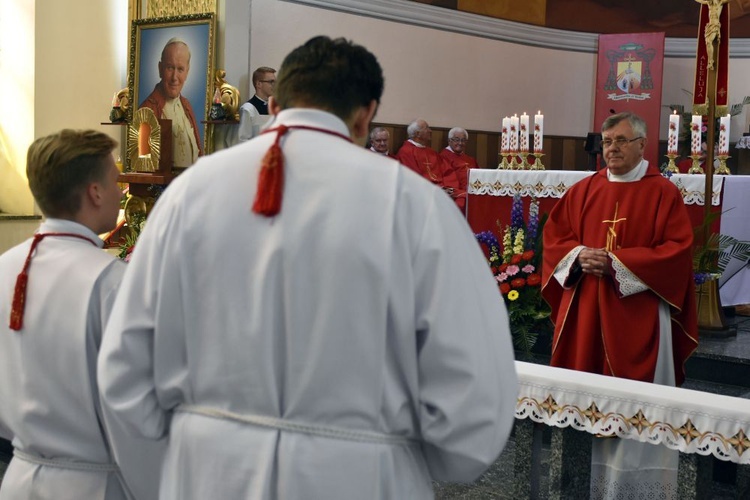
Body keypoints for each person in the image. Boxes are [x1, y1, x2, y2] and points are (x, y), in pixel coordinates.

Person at [98, 35, 518, 499]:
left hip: (209, 473)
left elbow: (125, 370)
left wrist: (180, 466)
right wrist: (410, 457)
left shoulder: (188, 194)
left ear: (275, 103)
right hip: (360, 478)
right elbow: (476, 396)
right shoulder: (417, 206)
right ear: (366, 113)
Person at [542, 112, 698, 498]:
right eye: (607, 142)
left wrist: (616, 263)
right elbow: (555, 238)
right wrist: (579, 255)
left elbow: (676, 252)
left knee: (637, 409)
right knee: (586, 398)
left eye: (621, 141)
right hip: (587, 312)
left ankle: (637, 488)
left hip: (638, 314)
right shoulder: (584, 189)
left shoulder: (662, 191)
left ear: (642, 144)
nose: (611, 149)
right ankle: (580, 484)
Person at [0, 130, 162, 499]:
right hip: (92, 483)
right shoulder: (110, 282)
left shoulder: (4, 267)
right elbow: (133, 406)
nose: (122, 192)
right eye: (116, 181)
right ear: (95, 192)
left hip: (19, 476)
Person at [140, 37, 203, 168]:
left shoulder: (186, 106)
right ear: (160, 69)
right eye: (170, 68)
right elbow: (143, 165)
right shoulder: (148, 109)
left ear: (187, 72)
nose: (175, 77)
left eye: (180, 69)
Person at [396, 119, 465, 211]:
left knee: (464, 197)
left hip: (441, 189)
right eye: (427, 128)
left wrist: (449, 188)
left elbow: (447, 172)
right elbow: (413, 177)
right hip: (424, 192)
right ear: (418, 134)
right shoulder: (406, 152)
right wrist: (437, 189)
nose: (430, 131)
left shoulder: (431, 152)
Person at [238, 66, 277, 142]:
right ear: (259, 84)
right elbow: (243, 140)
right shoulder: (248, 109)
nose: (274, 85)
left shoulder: (275, 108)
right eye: (271, 82)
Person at [440, 127, 479, 196]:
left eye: (463, 140)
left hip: (473, 192)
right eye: (456, 140)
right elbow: (449, 181)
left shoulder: (470, 160)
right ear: (449, 141)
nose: (460, 143)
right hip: (458, 193)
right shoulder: (443, 157)